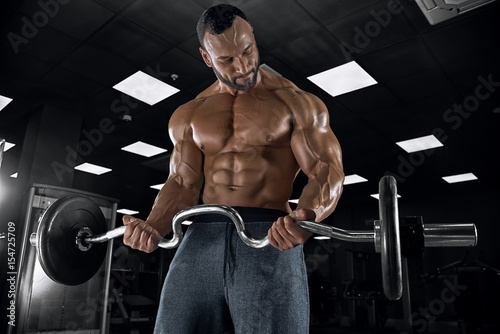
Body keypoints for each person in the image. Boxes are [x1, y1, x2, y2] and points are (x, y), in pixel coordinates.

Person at [122, 4, 344, 333]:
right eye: (226, 59)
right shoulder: (189, 114)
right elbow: (182, 183)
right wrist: (153, 226)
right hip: (200, 236)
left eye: (247, 50)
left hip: (270, 235)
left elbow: (326, 170)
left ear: (253, 38)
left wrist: (308, 217)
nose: (241, 66)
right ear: (206, 57)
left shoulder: (296, 102)